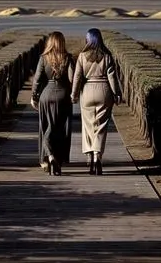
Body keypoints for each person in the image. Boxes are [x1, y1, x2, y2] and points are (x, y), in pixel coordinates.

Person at [71, 28, 121, 175]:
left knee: (87, 126)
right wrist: (117, 94)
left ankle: (89, 155)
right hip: (104, 91)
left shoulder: (82, 56)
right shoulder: (107, 55)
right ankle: (97, 156)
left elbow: (77, 77)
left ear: (88, 39)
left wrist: (74, 94)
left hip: (87, 92)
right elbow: (112, 77)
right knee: (101, 126)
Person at [31, 31, 74, 176]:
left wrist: (34, 96)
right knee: (60, 130)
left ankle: (49, 157)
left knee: (46, 128)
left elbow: (37, 79)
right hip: (62, 96)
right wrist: (73, 93)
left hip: (46, 95)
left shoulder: (43, 58)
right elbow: (72, 79)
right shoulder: (68, 58)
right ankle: (58, 159)